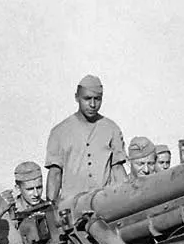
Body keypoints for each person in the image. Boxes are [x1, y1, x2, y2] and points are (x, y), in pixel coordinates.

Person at [45, 74, 127, 203]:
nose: (93, 104)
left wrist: (127, 197)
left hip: (104, 203)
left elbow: (117, 169)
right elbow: (55, 173)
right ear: (77, 97)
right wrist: (50, 207)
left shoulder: (112, 128)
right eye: (87, 99)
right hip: (72, 206)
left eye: (97, 99)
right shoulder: (59, 131)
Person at [5, 161, 45, 244]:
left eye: (39, 187)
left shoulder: (46, 208)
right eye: (30, 189)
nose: (36, 194)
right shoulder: (9, 213)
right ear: (18, 188)